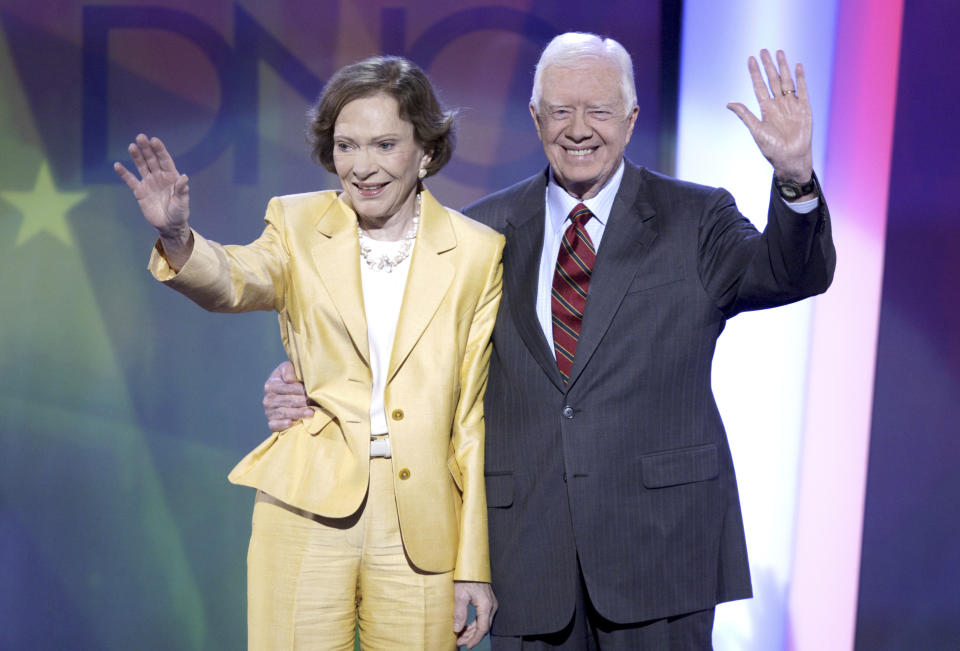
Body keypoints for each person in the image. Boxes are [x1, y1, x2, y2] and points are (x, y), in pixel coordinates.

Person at [263, 33, 836, 649]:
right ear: (536, 118)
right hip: (527, 559)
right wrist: (311, 385)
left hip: (662, 552)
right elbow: (412, 358)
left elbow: (790, 272)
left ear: (632, 118)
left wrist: (796, 179)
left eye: (600, 110)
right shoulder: (479, 233)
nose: (579, 129)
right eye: (561, 110)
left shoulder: (696, 217)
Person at [115, 56, 502, 650]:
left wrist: (473, 561)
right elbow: (235, 279)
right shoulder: (297, 224)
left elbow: (470, 422)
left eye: (384, 144)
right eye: (346, 145)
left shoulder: (477, 252)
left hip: (423, 523)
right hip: (306, 506)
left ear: (425, 150)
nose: (363, 166)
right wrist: (177, 237)